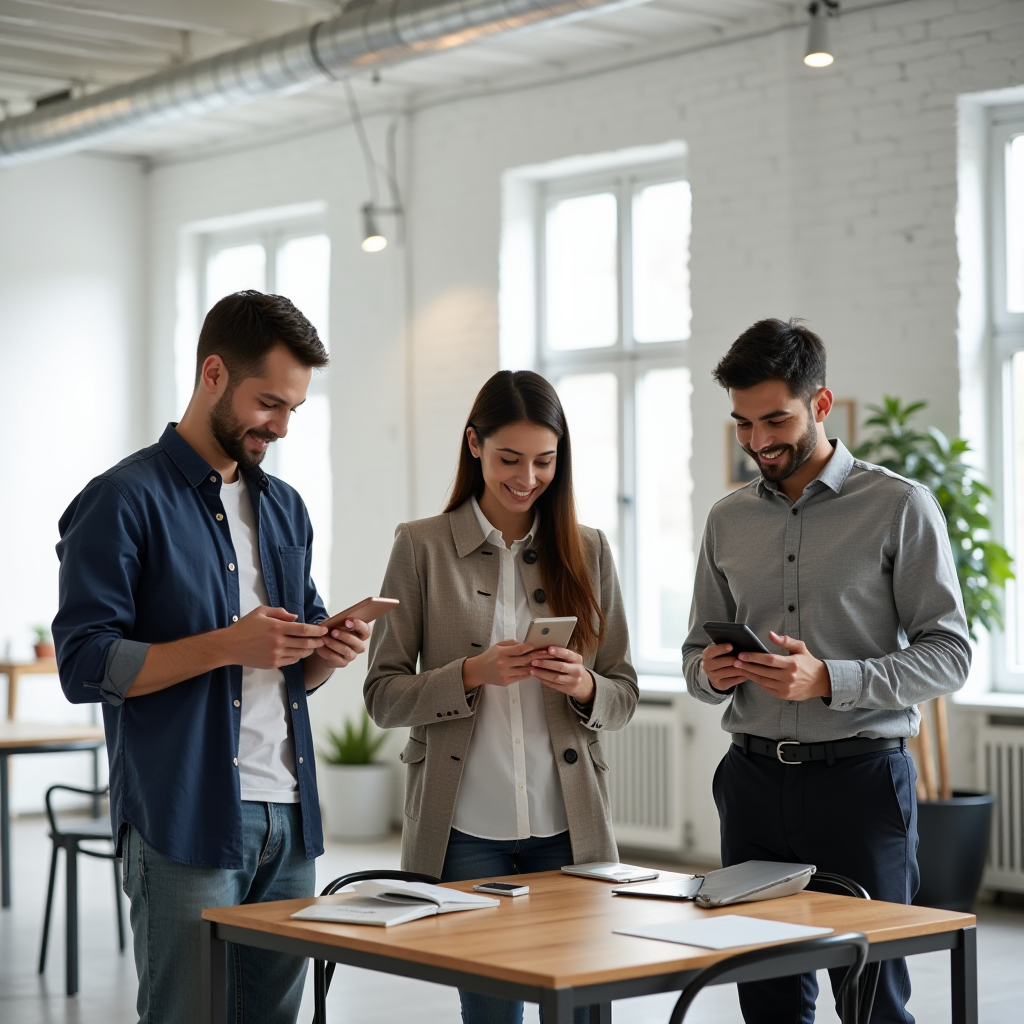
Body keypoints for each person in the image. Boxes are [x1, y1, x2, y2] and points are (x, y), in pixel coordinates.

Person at [53, 290, 371, 1024]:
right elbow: (85, 664)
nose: (281, 427)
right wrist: (228, 645)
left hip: (288, 818)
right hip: (183, 817)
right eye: (270, 404)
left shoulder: (285, 506)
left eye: (294, 409)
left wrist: (328, 651)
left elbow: (290, 668)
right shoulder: (120, 500)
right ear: (214, 374)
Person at [682, 318, 971, 1024]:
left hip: (861, 787)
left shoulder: (899, 506)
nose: (757, 442)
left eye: (774, 419)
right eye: (744, 424)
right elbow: (694, 656)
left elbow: (950, 653)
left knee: (871, 1000)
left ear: (820, 404)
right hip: (750, 784)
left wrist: (830, 680)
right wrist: (714, 672)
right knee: (769, 998)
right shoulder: (727, 520)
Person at [364, 369, 639, 1024]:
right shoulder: (420, 546)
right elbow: (382, 695)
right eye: (509, 458)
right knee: (490, 1015)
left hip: (570, 830)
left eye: (544, 461)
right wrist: (468, 674)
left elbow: (623, 693)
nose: (527, 477)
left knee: (581, 1010)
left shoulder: (590, 550)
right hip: (466, 835)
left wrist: (584, 685)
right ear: (474, 446)